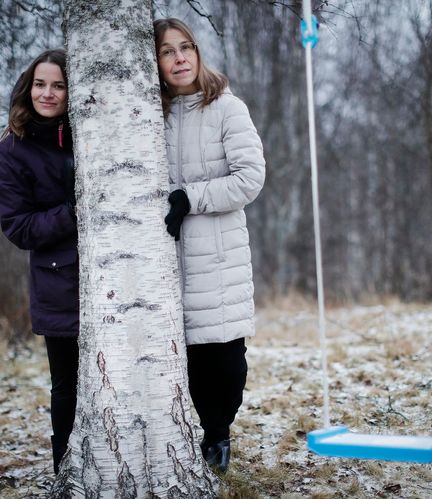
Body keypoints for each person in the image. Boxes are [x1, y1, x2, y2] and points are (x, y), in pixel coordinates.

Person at [154, 18, 266, 473]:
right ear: (156, 63)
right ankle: (203, 435)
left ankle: (219, 433)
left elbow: (249, 179)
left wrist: (191, 198)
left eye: (186, 47)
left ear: (198, 53)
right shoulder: (146, 112)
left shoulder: (226, 107)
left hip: (219, 254)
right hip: (165, 257)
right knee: (190, 360)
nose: (180, 58)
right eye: (167, 51)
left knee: (226, 360)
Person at [0, 48, 77, 475]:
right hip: (58, 282)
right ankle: (65, 469)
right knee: (67, 385)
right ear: (28, 88)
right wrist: (72, 213)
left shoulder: (93, 130)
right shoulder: (12, 149)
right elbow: (18, 227)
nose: (48, 93)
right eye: (40, 84)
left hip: (119, 275)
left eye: (59, 85)